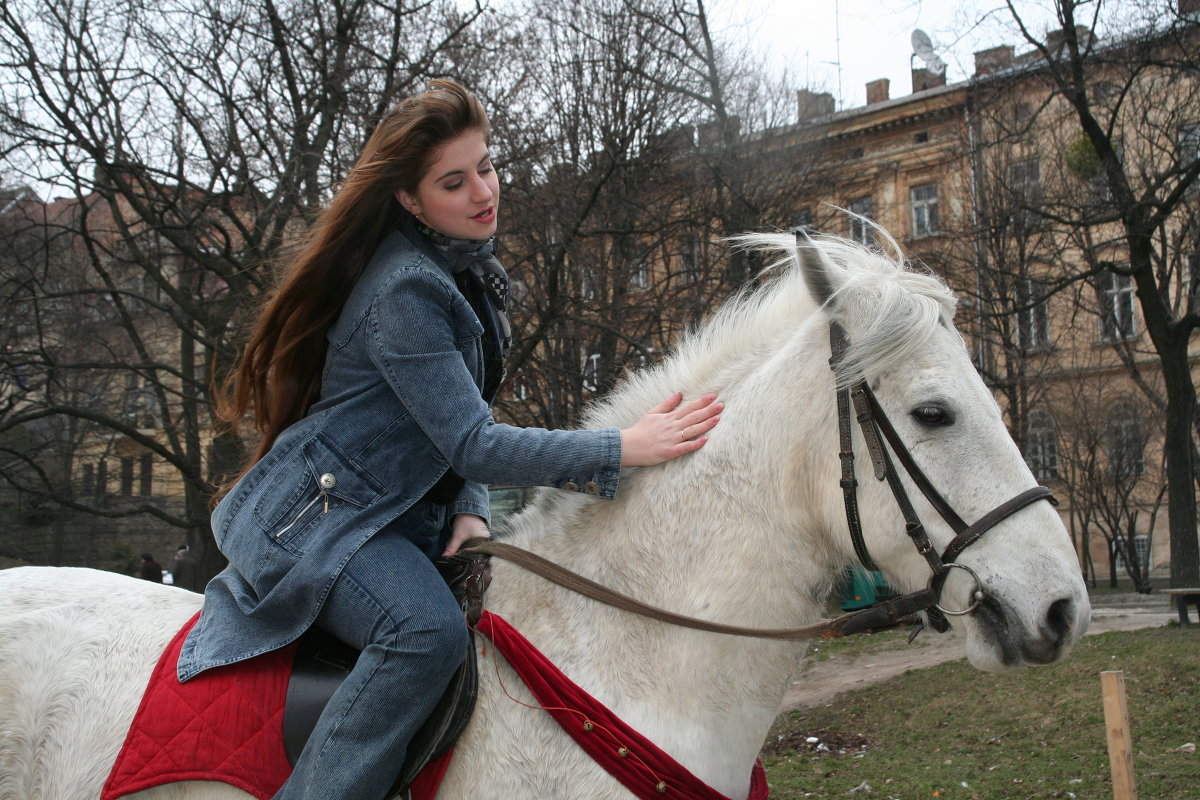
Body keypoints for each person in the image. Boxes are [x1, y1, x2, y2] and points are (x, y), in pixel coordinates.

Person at [175, 78, 722, 800]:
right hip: (325, 524)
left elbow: (449, 427)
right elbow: (476, 441)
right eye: (454, 181)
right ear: (409, 198)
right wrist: (622, 448)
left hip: (393, 514)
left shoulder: (465, 269)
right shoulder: (406, 290)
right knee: (424, 633)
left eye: (486, 168)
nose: (482, 193)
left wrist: (466, 505)